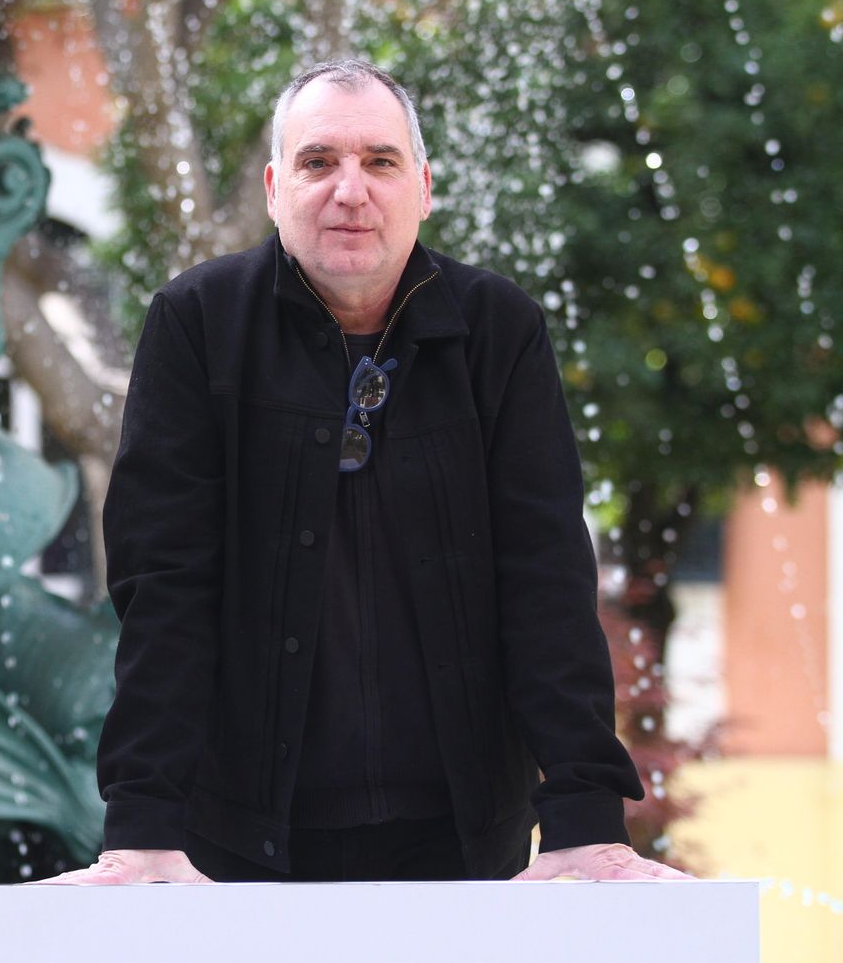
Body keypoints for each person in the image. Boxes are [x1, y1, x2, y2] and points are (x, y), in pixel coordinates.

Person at [36, 59, 688, 885]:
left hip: (459, 836)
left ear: (424, 186)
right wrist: (142, 827)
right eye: (318, 162)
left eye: (380, 162)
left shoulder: (500, 330)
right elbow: (165, 588)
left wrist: (585, 822)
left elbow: (546, 579)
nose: (351, 190)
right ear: (275, 188)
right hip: (237, 837)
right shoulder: (197, 324)